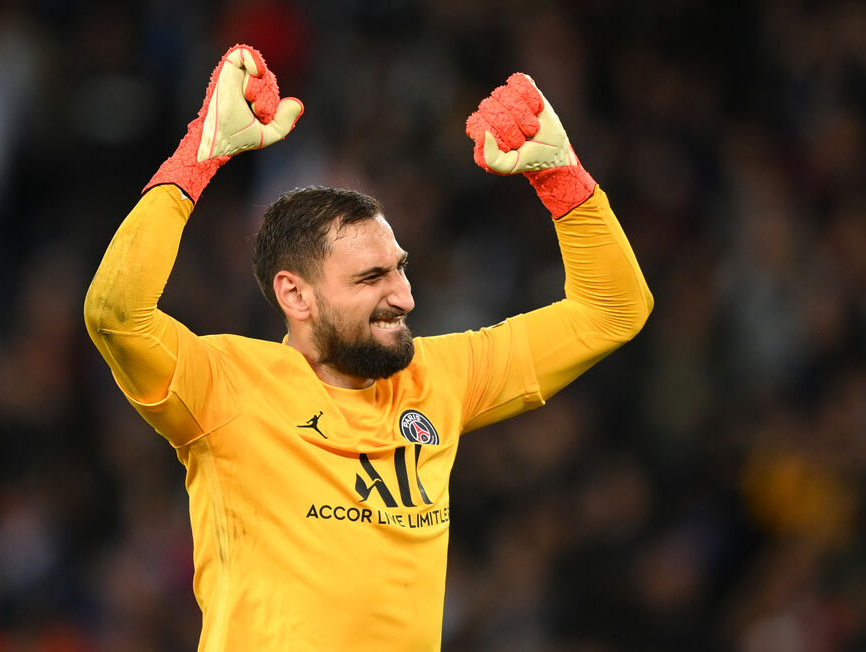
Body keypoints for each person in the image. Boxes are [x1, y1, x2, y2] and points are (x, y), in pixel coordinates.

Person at [84, 44, 653, 651]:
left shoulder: (440, 379)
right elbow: (115, 314)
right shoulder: (225, 386)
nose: (404, 297)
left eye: (400, 269)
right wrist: (198, 157)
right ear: (295, 296)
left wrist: (561, 174)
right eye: (370, 279)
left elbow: (613, 310)